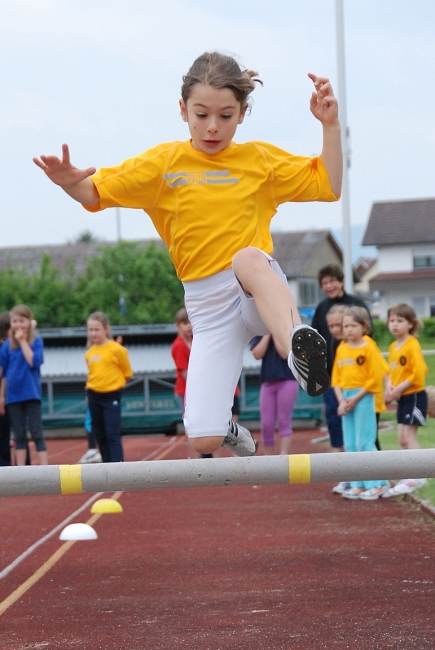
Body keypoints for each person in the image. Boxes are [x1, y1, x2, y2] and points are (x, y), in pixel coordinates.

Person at [33, 51, 342, 458]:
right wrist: (67, 183)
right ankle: (222, 424)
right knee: (202, 438)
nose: (213, 127)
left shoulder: (259, 161)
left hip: (255, 290)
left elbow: (329, 184)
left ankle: (296, 347)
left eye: (226, 116)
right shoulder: (163, 165)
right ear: (183, 110)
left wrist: (330, 125)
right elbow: (95, 192)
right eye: (201, 115)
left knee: (247, 258)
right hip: (206, 309)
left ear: (243, 113)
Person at [311, 264, 370, 458]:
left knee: (361, 421)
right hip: (330, 374)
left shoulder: (356, 304)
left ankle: (371, 467)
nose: (329, 286)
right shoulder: (321, 309)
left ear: (341, 281)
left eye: (332, 281)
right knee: (334, 416)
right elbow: (315, 339)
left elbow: (369, 336)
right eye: (325, 283)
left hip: (356, 374)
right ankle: (340, 460)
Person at [331, 306, 389, 500]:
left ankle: (378, 483)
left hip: (363, 396)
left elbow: (374, 377)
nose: (348, 330)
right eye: (345, 326)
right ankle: (358, 484)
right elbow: (336, 379)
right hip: (346, 398)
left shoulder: (369, 346)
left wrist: (356, 398)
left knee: (364, 441)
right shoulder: (342, 348)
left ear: (364, 326)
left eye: (353, 325)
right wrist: (341, 402)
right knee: (350, 443)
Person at [383, 303, 428, 497]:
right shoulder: (393, 346)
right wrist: (390, 387)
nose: (394, 324)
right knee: (402, 440)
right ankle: (412, 473)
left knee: (410, 437)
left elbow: (418, 373)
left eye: (400, 321)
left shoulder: (412, 344)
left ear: (410, 324)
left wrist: (399, 389)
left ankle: (419, 474)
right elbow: (393, 372)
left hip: (414, 396)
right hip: (402, 397)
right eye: (392, 320)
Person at [0, 305, 48, 466]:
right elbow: (3, 372)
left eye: (22, 320)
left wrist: (22, 341)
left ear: (29, 321)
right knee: (19, 435)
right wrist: (2, 396)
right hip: (13, 396)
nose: (18, 324)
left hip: (31, 394)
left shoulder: (36, 342)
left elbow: (34, 361)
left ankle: (45, 470)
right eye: (15, 321)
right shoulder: (7, 346)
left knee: (36, 432)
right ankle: (21, 471)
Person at [85, 312, 133, 462]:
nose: (93, 333)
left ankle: (118, 471)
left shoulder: (117, 349)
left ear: (106, 329)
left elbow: (127, 373)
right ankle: (107, 471)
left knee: (112, 434)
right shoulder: (89, 353)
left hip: (111, 395)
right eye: (90, 330)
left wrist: (114, 385)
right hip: (94, 395)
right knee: (100, 435)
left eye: (96, 329)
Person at [250, 334, 298, 455]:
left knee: (284, 420)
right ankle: (268, 457)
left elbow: (284, 354)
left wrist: (275, 334)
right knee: (266, 423)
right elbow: (256, 354)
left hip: (287, 380)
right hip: (267, 381)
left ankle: (284, 455)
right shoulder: (261, 331)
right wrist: (267, 335)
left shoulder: (286, 330)